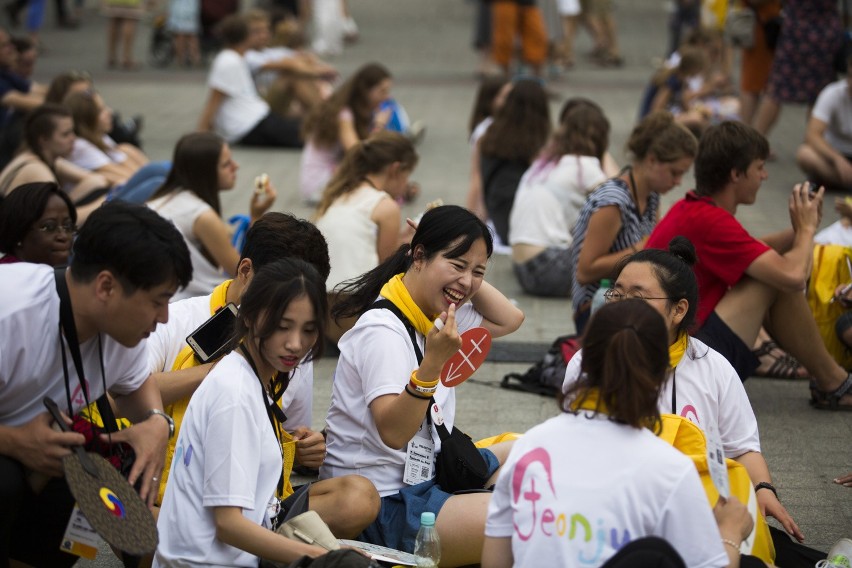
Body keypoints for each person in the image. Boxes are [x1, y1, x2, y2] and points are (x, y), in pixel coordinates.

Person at [320, 205, 525, 566]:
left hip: (430, 476)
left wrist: (464, 273)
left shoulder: (435, 313)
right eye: (456, 264)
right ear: (418, 257)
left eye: (478, 271)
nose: (467, 281)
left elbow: (510, 319)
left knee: (532, 450)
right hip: (385, 507)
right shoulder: (381, 330)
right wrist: (432, 364)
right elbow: (394, 432)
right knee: (522, 516)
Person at [563, 236, 803, 543]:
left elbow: (742, 448)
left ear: (678, 311)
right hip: (612, 512)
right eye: (616, 294)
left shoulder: (712, 367)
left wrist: (763, 489)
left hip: (700, 512)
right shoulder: (587, 362)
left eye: (637, 298)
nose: (621, 308)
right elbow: (574, 448)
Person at [482, 300, 753, 568]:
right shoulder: (671, 469)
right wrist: (730, 531)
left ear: (583, 359)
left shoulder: (529, 447)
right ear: (662, 372)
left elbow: (494, 561)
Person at [0, 201, 192, 567]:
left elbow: (137, 385)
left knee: (92, 482)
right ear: (106, 286)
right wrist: (15, 442)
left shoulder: (120, 333)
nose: (165, 317)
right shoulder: (11, 313)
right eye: (158, 301)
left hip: (30, 459)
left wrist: (155, 422)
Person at [154, 258, 373, 566]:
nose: (296, 344)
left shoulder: (249, 377)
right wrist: (324, 556)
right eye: (283, 327)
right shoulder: (234, 392)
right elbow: (228, 524)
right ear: (252, 317)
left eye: (309, 330)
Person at [645, 120, 852, 410]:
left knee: (765, 266)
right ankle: (833, 382)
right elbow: (794, 277)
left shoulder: (693, 208)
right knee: (770, 278)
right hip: (679, 364)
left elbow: (750, 247)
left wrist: (799, 229)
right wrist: (806, 232)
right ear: (736, 174)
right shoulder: (712, 221)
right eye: (759, 167)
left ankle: (828, 377)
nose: (765, 176)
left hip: (663, 350)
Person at [571, 110, 697, 334]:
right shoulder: (614, 201)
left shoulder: (651, 195)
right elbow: (585, 271)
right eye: (675, 172)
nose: (678, 182)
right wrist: (643, 247)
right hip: (596, 307)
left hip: (631, 296)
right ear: (652, 160)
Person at [148, 132, 276, 301]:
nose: (236, 166)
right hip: (181, 302)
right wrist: (257, 217)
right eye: (226, 164)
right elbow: (244, 273)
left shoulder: (165, 198)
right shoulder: (201, 215)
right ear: (205, 172)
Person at [315, 132, 418, 341]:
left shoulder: (339, 193)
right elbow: (387, 267)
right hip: (352, 312)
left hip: (320, 310)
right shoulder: (385, 206)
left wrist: (400, 239)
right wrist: (410, 244)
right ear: (395, 169)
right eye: (407, 176)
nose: (405, 185)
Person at [508, 100, 609, 297]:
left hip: (522, 269)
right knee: (620, 247)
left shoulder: (544, 164)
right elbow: (619, 200)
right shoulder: (584, 164)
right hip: (549, 267)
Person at [196, 14, 302, 149]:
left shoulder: (236, 58)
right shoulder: (228, 61)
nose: (262, 36)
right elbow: (213, 102)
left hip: (256, 119)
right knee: (307, 138)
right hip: (250, 125)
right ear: (246, 37)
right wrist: (199, 139)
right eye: (255, 33)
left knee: (303, 131)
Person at [299, 62, 394, 204]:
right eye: (382, 91)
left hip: (325, 178)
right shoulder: (344, 113)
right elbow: (358, 151)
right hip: (319, 184)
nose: (387, 97)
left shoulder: (358, 111)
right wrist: (379, 126)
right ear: (365, 91)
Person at [478, 78, 551, 245]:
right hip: (522, 225)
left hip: (500, 219)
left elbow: (479, 181)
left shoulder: (491, 134)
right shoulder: (532, 143)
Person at [63, 89, 170, 203]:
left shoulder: (101, 137)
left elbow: (131, 167)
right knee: (157, 178)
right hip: (103, 201)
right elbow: (126, 176)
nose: (110, 112)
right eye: (101, 110)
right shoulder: (81, 146)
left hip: (115, 194)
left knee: (156, 168)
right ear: (87, 119)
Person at [0, 104, 108, 206]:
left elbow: (97, 179)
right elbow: (60, 218)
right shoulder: (36, 169)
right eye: (66, 134)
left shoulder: (44, 158)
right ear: (44, 140)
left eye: (73, 132)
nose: (73, 138)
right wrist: (106, 200)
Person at [244, 9, 337, 119]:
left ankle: (326, 117)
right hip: (254, 108)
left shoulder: (268, 51)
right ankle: (326, 118)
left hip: (272, 102)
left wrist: (313, 63)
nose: (263, 35)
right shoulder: (246, 55)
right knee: (291, 76)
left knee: (311, 82)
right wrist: (318, 72)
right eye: (256, 32)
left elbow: (296, 58)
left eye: (265, 30)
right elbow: (287, 65)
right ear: (244, 34)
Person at [795, 55, 852, 192]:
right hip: (834, 155)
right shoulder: (833, 93)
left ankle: (835, 182)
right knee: (805, 154)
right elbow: (812, 135)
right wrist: (837, 159)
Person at [466, 76, 511, 221]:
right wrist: (473, 216)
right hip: (489, 205)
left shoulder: (501, 125)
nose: (510, 102)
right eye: (504, 97)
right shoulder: (486, 131)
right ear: (489, 99)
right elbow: (477, 175)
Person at [0, 180, 76, 266]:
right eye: (49, 227)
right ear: (18, 234)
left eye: (68, 226)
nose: (63, 236)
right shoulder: (7, 276)